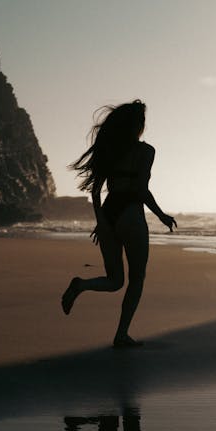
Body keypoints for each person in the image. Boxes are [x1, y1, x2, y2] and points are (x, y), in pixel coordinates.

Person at [61, 99, 177, 348]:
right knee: (136, 279)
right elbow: (141, 189)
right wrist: (161, 215)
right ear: (139, 125)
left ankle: (82, 285)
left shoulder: (110, 151)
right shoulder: (146, 152)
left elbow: (95, 190)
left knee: (115, 280)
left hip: (110, 213)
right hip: (131, 216)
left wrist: (101, 221)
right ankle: (121, 335)